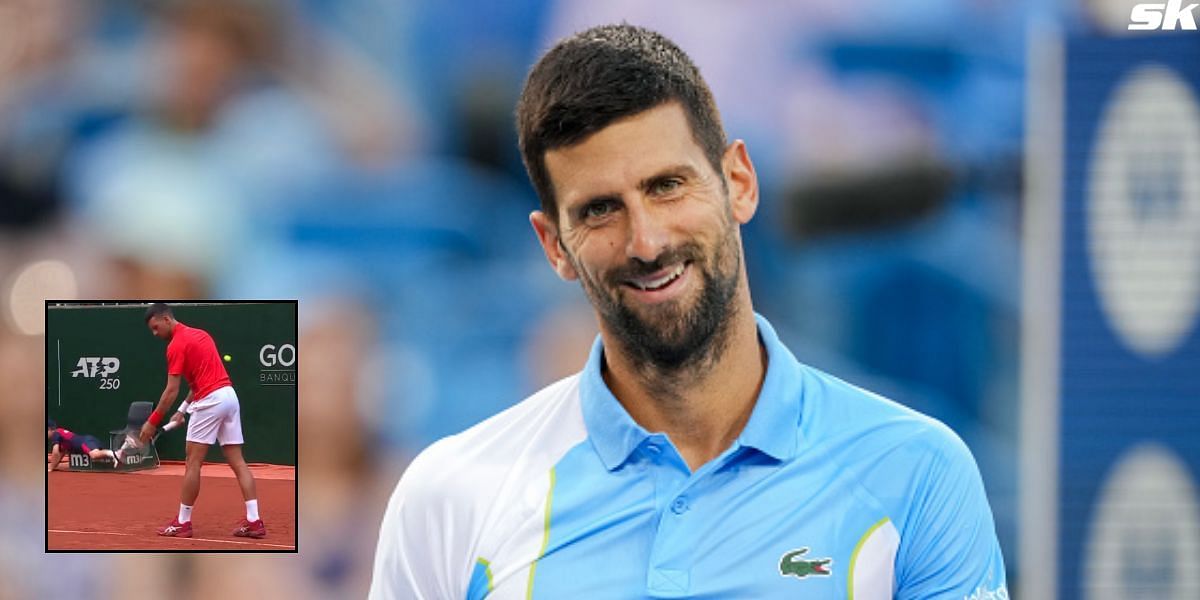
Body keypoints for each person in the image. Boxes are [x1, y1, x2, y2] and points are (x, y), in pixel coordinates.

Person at [369, 24, 1008, 599]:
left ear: (739, 182)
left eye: (667, 186)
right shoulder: (450, 497)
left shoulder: (917, 471)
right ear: (554, 246)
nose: (646, 242)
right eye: (599, 210)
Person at [140, 302, 266, 539]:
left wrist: (152, 421)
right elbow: (197, 381)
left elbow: (171, 390)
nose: (156, 334)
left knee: (193, 462)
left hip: (210, 401)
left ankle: (183, 522)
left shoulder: (176, 345)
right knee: (237, 461)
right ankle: (254, 520)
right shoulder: (201, 335)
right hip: (229, 397)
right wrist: (183, 410)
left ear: (166, 319)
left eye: (156, 328)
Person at [47, 420, 119, 471]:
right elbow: (59, 456)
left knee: (94, 455)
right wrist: (52, 466)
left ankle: (115, 454)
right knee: (97, 458)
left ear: (50, 429)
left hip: (85, 443)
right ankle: (116, 455)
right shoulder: (61, 438)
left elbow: (55, 452)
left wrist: (51, 467)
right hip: (88, 440)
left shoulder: (56, 434)